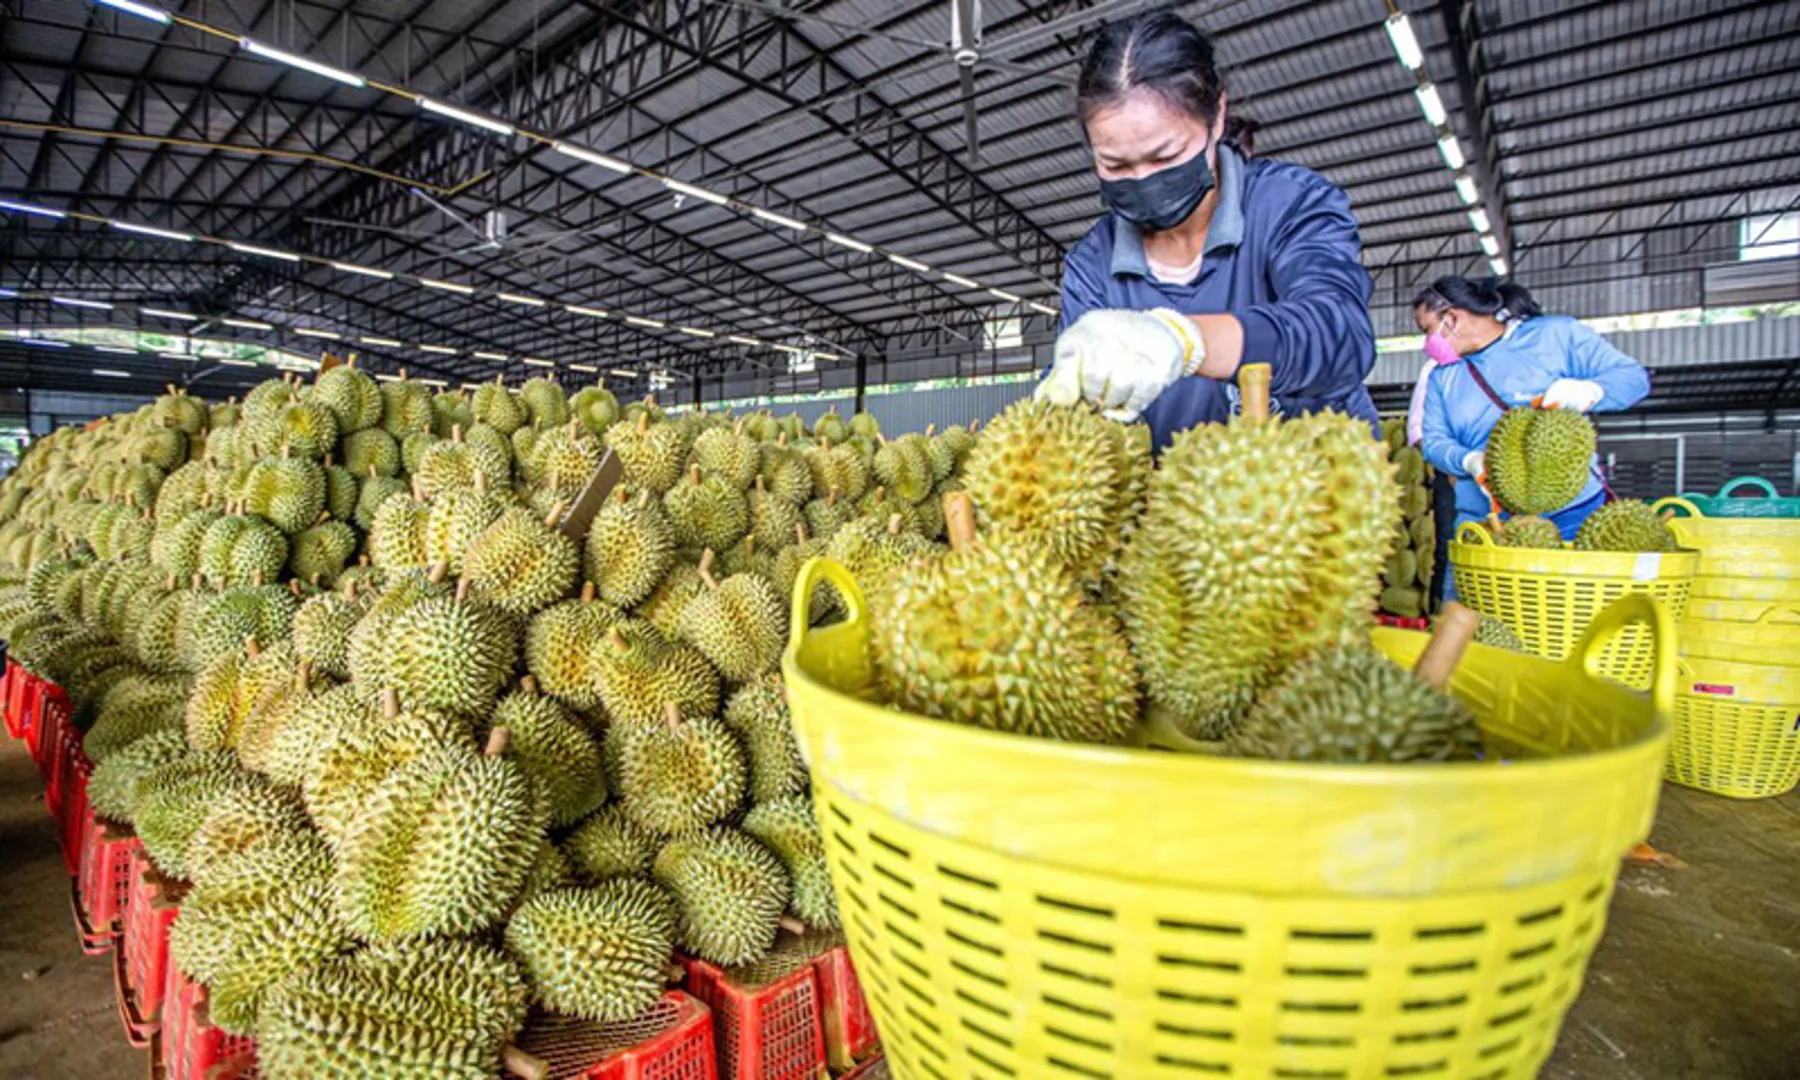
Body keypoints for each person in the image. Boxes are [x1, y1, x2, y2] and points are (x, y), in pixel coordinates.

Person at [1035, 10, 1377, 450]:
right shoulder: (1093, 262)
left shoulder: (1288, 204)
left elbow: (1340, 334)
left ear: (1216, 117)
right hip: (1176, 505)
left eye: (1165, 156)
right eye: (1115, 164)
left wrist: (1185, 340)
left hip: (1318, 499)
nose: (1142, 178)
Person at [1414, 275, 1650, 587]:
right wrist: (1468, 460)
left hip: (1570, 515)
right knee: (1466, 617)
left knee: (1562, 614)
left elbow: (1634, 378)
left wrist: (1591, 390)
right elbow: (1433, 441)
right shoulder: (1443, 377)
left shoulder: (1555, 336)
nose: (1426, 343)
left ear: (1452, 318)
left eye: (1427, 330)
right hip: (1485, 520)